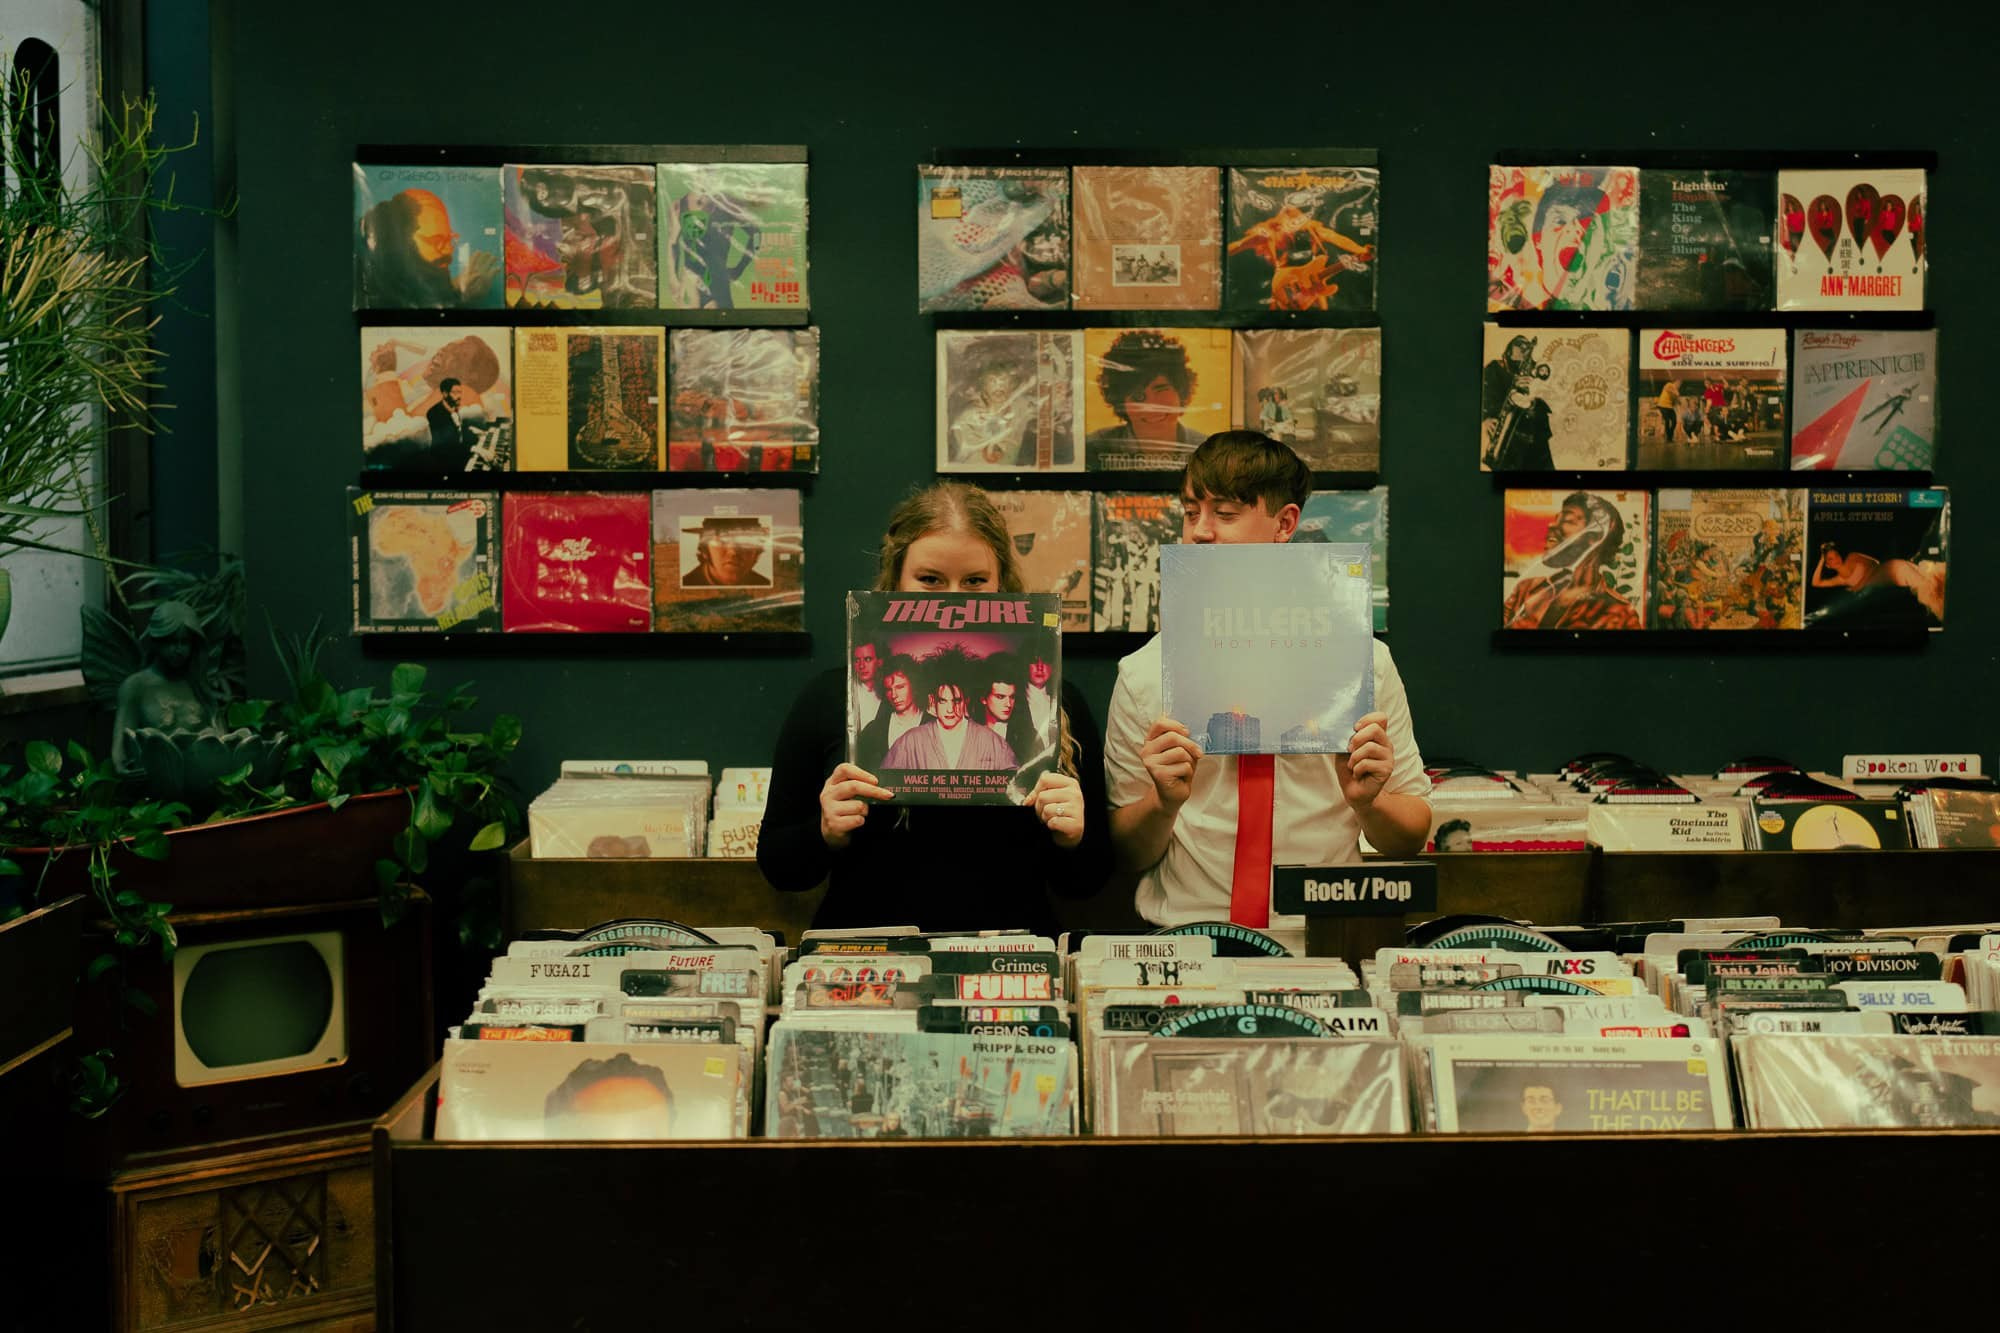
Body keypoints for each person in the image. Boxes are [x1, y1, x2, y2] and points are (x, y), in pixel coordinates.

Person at [1102, 432, 1432, 947]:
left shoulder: (1363, 663)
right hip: (1186, 944)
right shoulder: (1145, 672)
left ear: (1285, 523)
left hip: (1325, 939)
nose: (1200, 533)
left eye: (1226, 513)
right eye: (1191, 513)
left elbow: (1411, 834)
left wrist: (1370, 803)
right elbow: (1125, 853)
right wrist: (1162, 803)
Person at [758, 482, 1113, 934]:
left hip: (1009, 970)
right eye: (929, 580)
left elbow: (1087, 881)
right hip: (868, 968)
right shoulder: (834, 698)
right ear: (896, 580)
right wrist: (824, 831)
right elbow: (780, 868)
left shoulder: (1053, 703)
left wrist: (1072, 836)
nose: (953, 598)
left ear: (1001, 582)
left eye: (974, 581)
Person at [1502, 492, 1642, 630]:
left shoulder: (1620, 612)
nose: (1551, 525)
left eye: (1567, 520)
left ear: (1595, 536)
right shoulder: (1526, 589)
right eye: (1557, 519)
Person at [880, 646, 1018, 772]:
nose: (950, 709)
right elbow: (885, 785)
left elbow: (1018, 789)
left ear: (966, 700)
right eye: (943, 701)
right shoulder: (909, 742)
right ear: (932, 701)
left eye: (956, 701)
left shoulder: (993, 742)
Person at [1085, 330, 1208, 470]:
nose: (1151, 406)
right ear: (1121, 403)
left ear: (1180, 391)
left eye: (1161, 390)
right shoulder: (1093, 449)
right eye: (1138, 396)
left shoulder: (1208, 451)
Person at [1479, 336, 1554, 470]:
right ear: (1509, 350)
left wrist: (1532, 399)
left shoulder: (1535, 369)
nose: (1524, 348)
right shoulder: (1494, 368)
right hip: (1507, 441)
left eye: (1526, 346)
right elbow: (1483, 395)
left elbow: (1548, 402)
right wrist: (1485, 418)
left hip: (1534, 439)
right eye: (1519, 345)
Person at [855, 653, 923, 774]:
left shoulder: (934, 723)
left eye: (900, 687)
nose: (894, 695)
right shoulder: (874, 729)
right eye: (889, 689)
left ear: (914, 685)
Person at [680, 515, 770, 588]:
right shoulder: (685, 585)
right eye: (722, 541)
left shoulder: (767, 586)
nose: (733, 552)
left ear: (757, 551)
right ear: (705, 549)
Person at [849, 639, 883, 730]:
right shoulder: (849, 692)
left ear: (879, 662)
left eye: (867, 659)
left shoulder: (887, 692)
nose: (861, 666)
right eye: (857, 660)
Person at [1654, 377, 1679, 443]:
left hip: (1669, 407)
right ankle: (1669, 438)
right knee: (1667, 420)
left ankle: (1670, 435)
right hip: (1662, 405)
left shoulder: (1677, 390)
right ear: (1675, 382)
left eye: (1680, 383)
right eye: (1678, 382)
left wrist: (1677, 401)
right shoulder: (1669, 384)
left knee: (1674, 421)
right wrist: (1675, 392)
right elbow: (1666, 388)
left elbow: (1674, 401)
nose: (1679, 384)